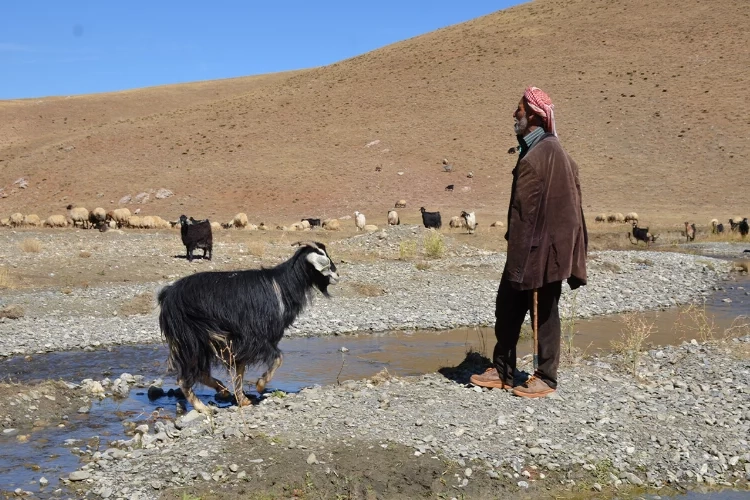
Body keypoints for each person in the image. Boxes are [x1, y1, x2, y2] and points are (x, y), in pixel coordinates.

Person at [470, 86, 588, 398]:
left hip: (540, 250)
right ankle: (504, 370)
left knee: (543, 311)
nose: (514, 115)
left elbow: (527, 214)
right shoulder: (544, 151)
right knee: (508, 305)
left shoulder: (540, 156)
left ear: (533, 115)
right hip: (541, 248)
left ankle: (545, 377)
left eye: (519, 110)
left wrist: (523, 255)